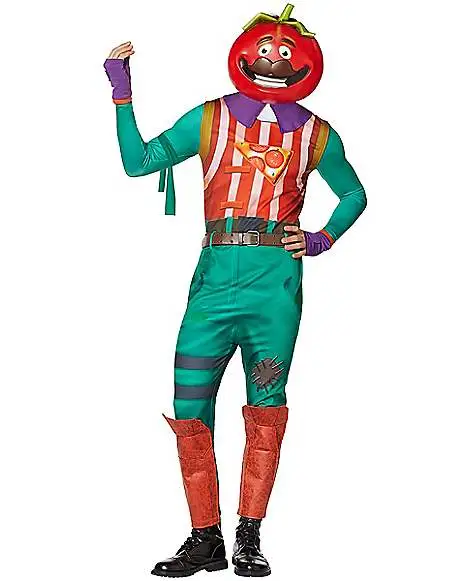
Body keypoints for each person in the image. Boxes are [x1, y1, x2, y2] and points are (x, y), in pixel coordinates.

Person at [104, 4, 366, 577]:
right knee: (190, 401)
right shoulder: (210, 118)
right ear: (245, 52)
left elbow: (355, 194)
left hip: (276, 286)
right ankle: (206, 537)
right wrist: (122, 94)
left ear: (305, 62)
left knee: (266, 402)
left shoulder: (317, 133)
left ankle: (249, 535)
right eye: (265, 51)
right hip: (214, 280)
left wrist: (321, 239)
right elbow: (138, 162)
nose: (273, 62)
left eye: (285, 54)